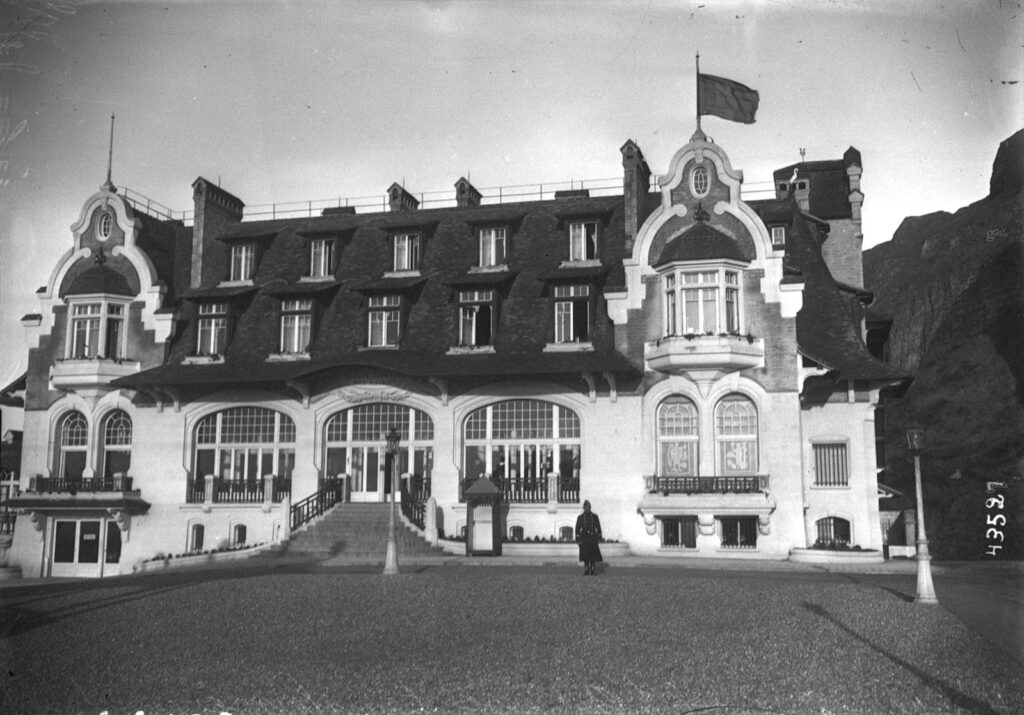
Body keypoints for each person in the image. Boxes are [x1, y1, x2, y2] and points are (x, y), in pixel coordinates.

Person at [575, 499, 602, 576]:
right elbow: (577, 528)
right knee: (585, 555)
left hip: (593, 537)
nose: (587, 508)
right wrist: (578, 539)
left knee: (593, 555)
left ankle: (593, 569)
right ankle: (586, 569)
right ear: (583, 508)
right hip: (584, 537)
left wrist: (599, 536)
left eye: (588, 506)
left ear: (590, 507)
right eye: (585, 507)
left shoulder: (594, 516)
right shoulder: (580, 517)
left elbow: (598, 527)